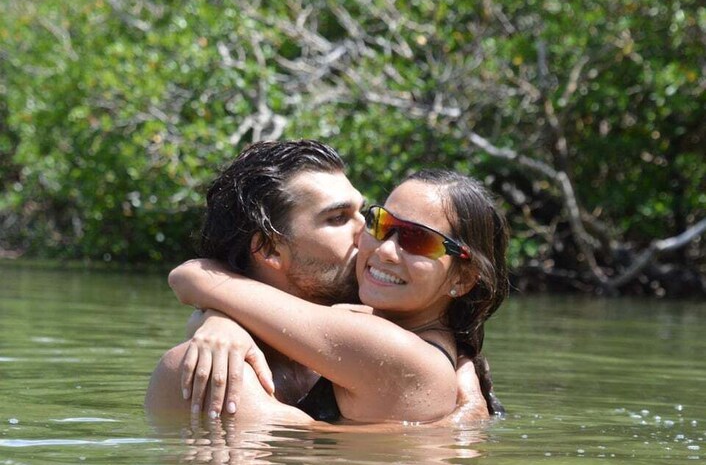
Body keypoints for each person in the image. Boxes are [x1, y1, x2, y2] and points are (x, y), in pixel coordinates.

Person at [145, 141, 498, 423]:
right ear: (269, 248)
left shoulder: (390, 346)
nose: (369, 238)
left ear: (464, 278)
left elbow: (308, 453)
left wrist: (201, 285)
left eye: (419, 239)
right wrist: (220, 317)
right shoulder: (208, 366)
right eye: (340, 218)